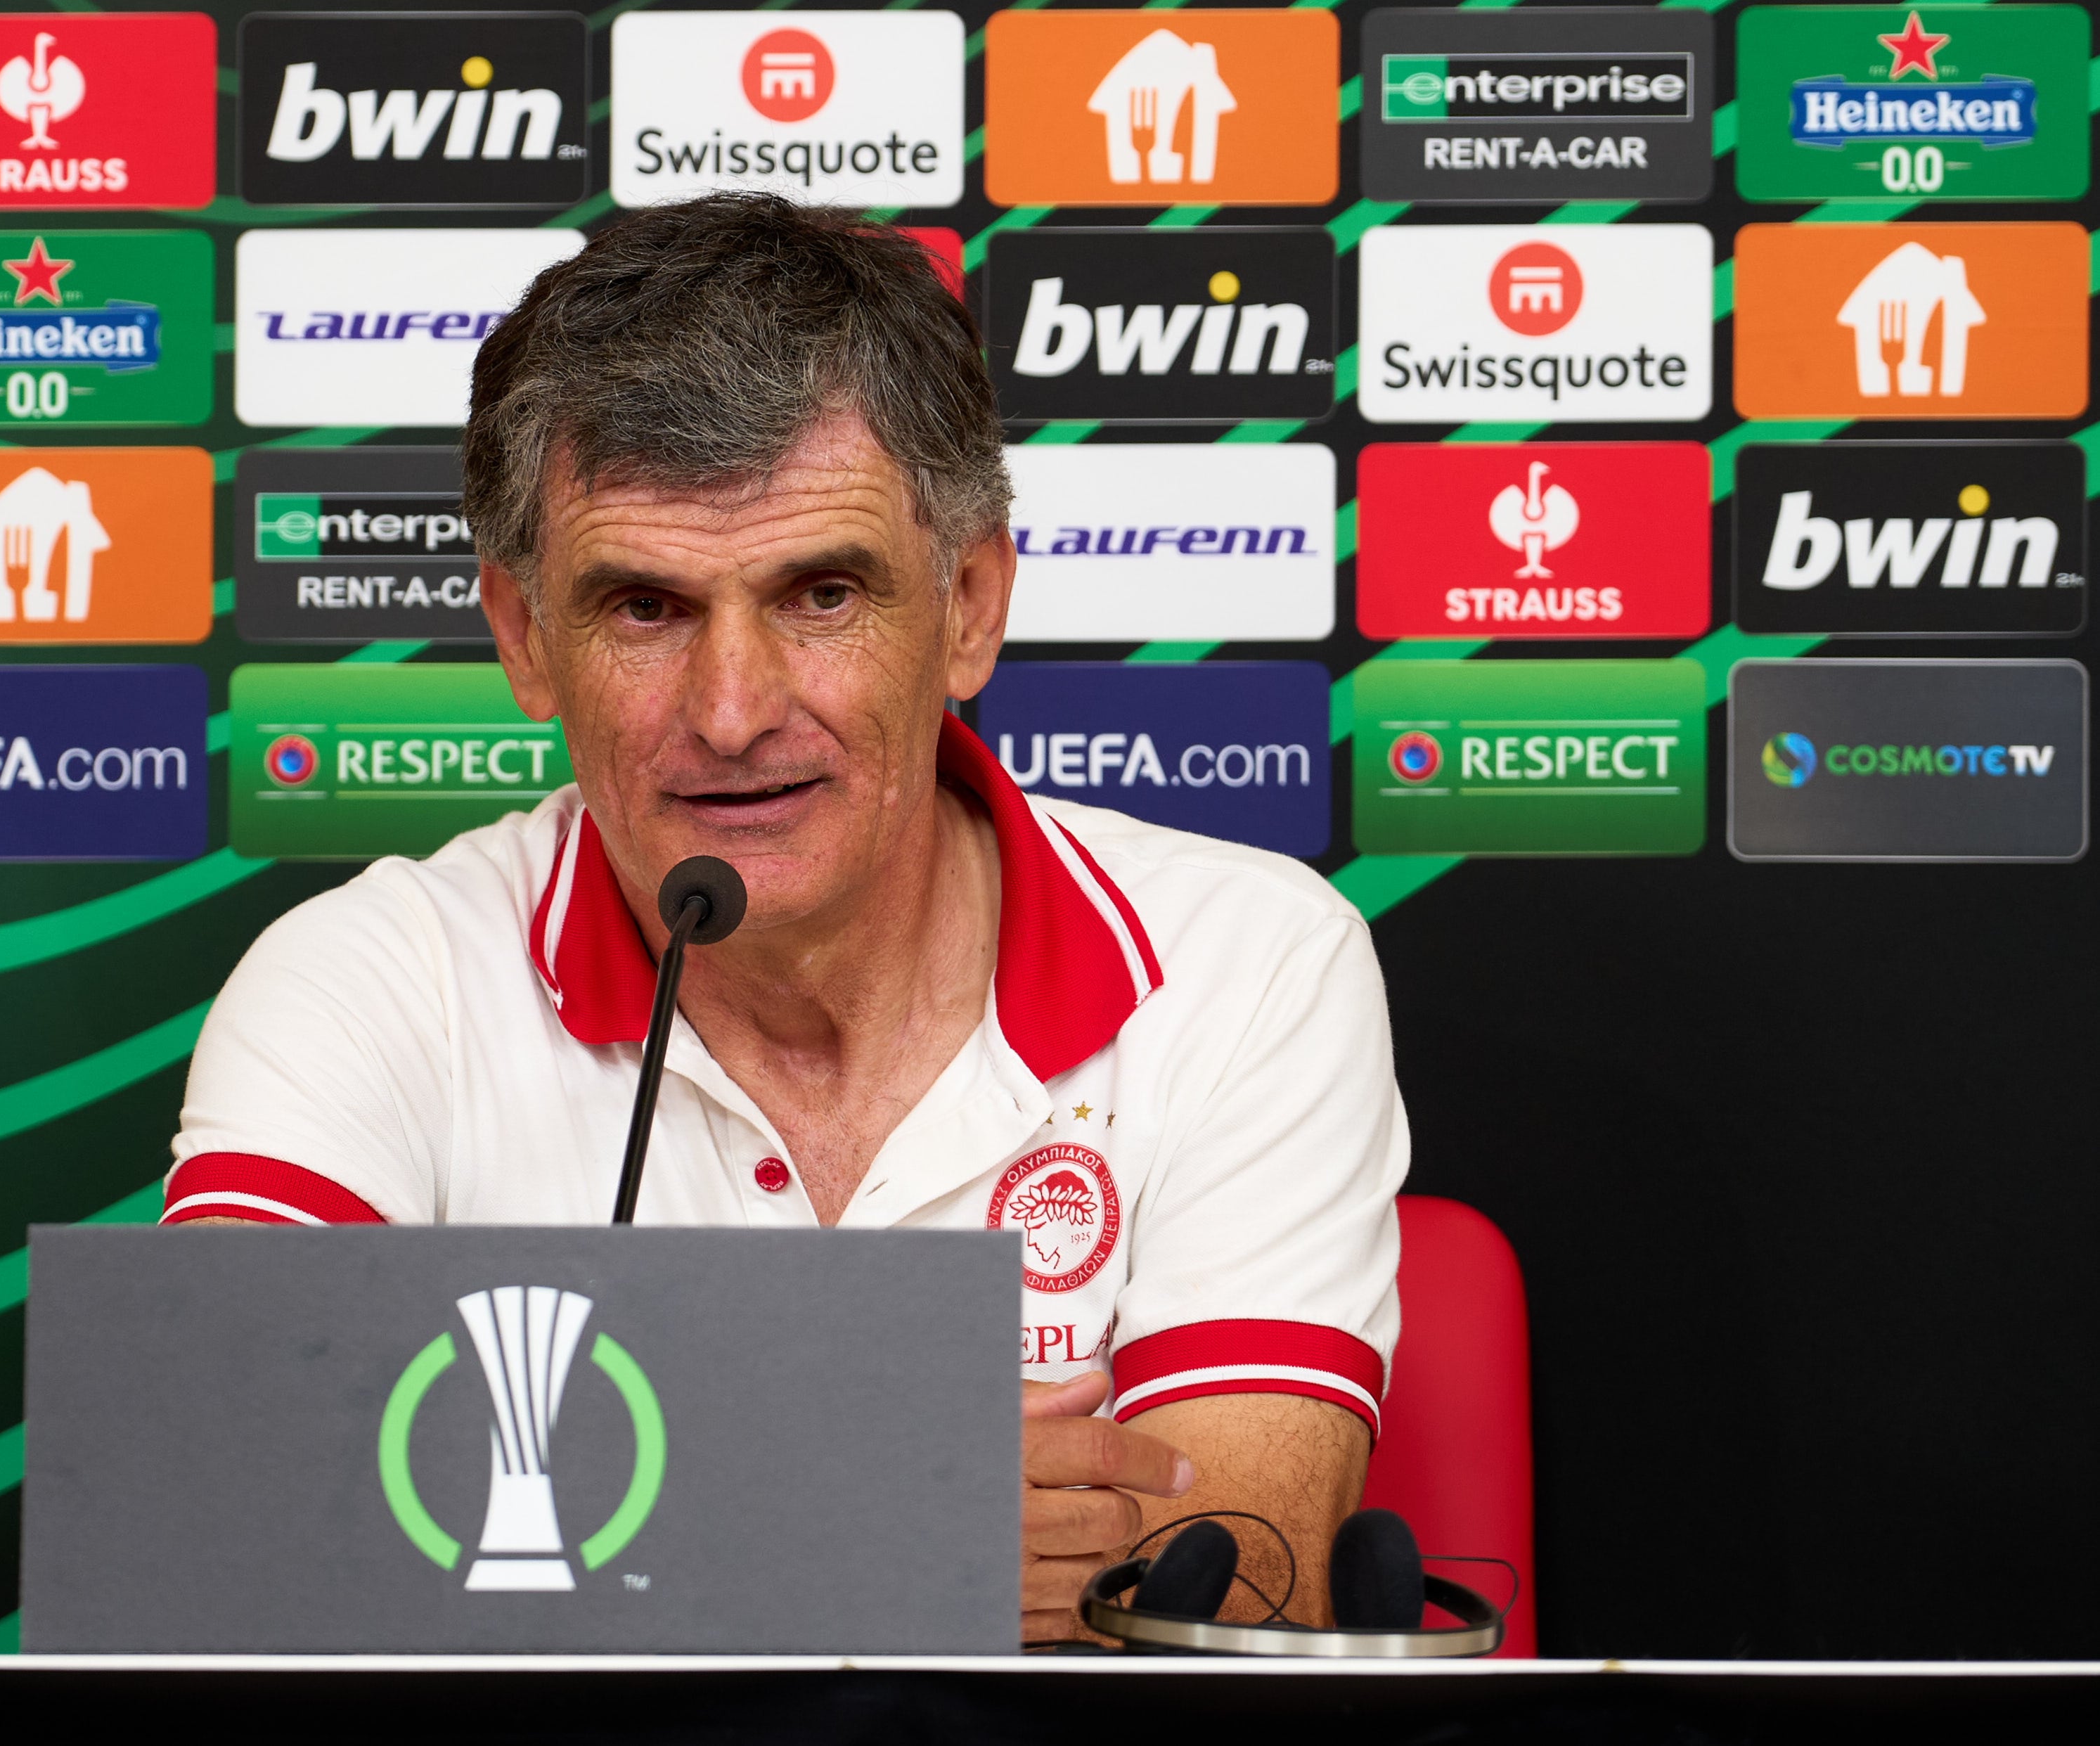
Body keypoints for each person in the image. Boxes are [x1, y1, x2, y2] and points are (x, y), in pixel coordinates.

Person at [167, 194, 1409, 1641]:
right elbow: (209, 1516)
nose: (732, 711)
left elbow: (1222, 1582)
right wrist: (877, 1518)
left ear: (968, 609)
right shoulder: (364, 981)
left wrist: (537, 1511)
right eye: (644, 608)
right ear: (522, 640)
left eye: (820, 593)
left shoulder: (1246, 962)